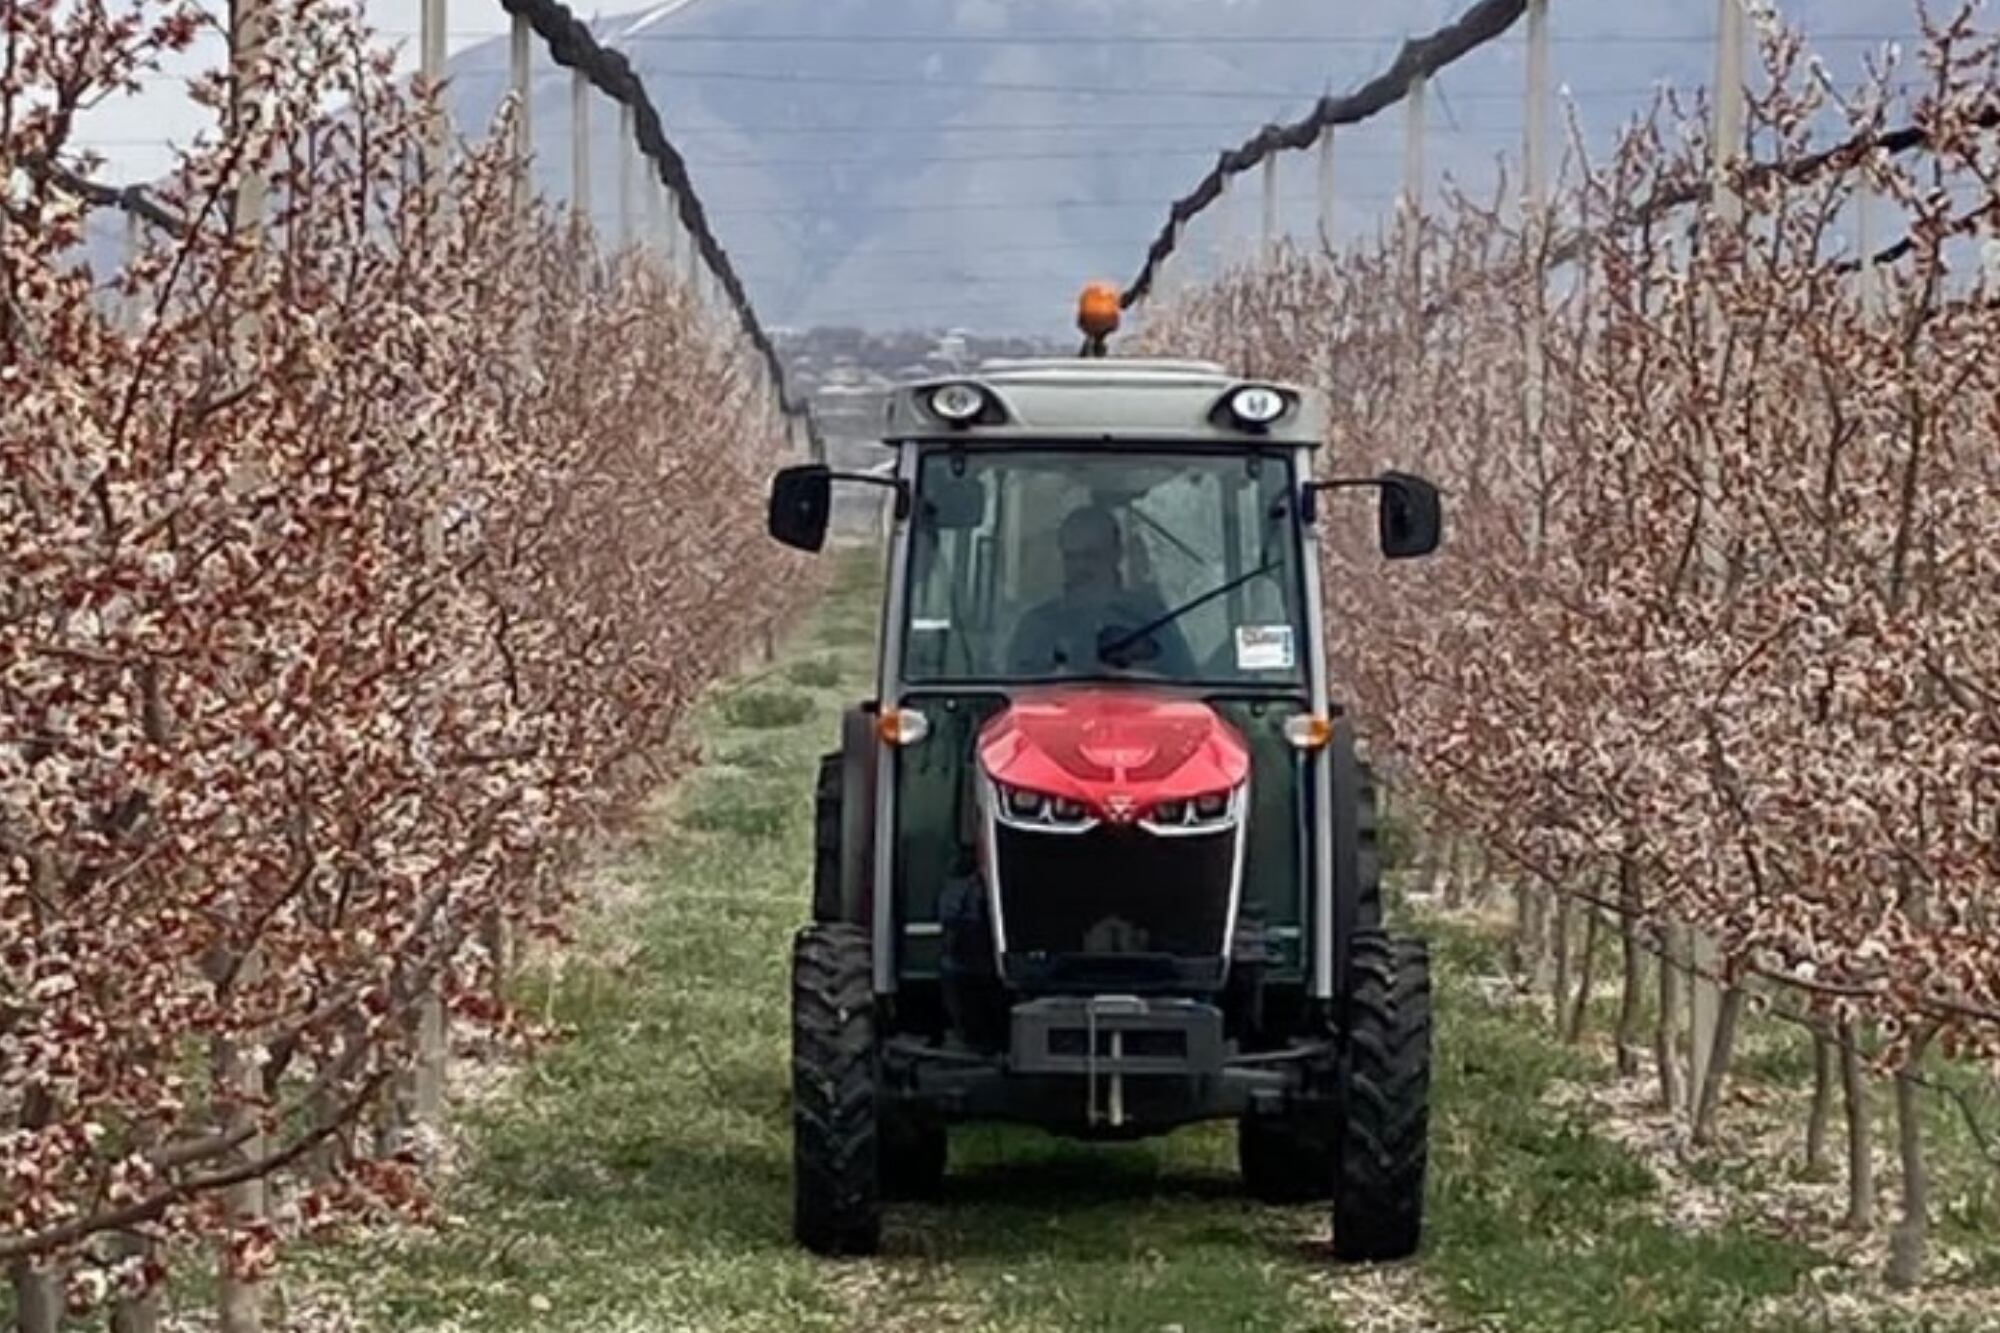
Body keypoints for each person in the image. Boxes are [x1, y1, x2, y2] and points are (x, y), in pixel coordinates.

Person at [1006, 505, 1195, 677]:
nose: (1080, 567)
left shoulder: (1151, 620)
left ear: (1117, 553)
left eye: (1091, 556)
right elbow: (1014, 694)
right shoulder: (1038, 626)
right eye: (1071, 557)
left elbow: (1187, 687)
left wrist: (1130, 677)